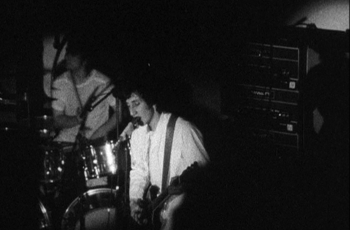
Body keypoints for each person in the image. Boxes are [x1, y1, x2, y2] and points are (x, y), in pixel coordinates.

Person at [123, 69, 210, 229]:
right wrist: (135, 201)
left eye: (136, 103)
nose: (131, 112)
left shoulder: (183, 129)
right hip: (156, 215)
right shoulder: (137, 136)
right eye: (128, 105)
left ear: (152, 101)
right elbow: (139, 172)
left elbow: (206, 178)